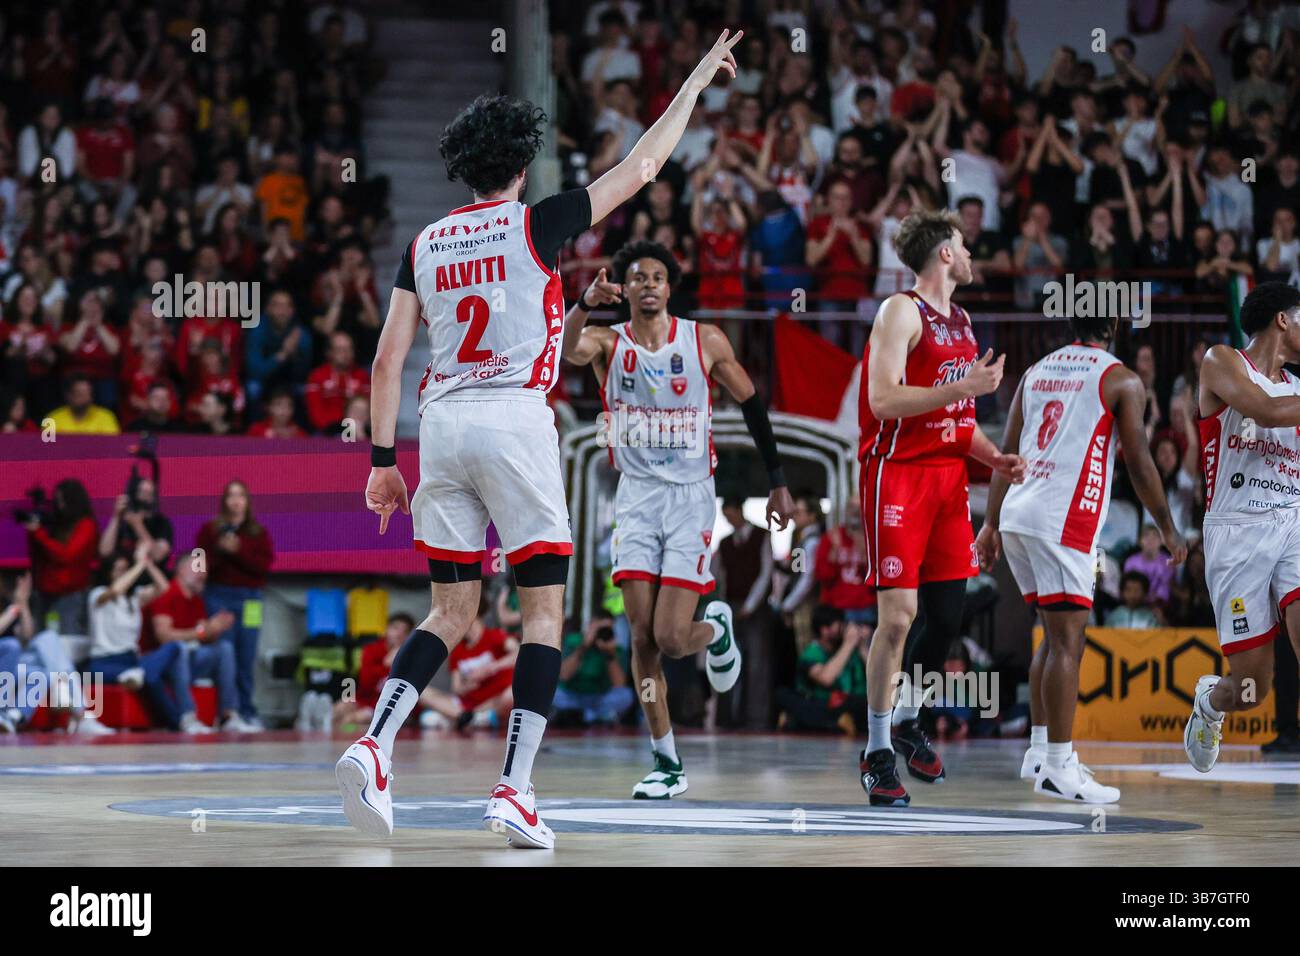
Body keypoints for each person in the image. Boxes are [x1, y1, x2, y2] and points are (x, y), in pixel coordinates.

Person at [336, 30, 747, 850]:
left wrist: (383, 463)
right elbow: (642, 167)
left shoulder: (425, 243)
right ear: (521, 166)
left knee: (451, 609)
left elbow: (386, 360)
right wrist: (697, 78)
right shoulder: (537, 222)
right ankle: (514, 790)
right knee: (543, 614)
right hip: (516, 425)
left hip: (440, 426)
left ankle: (374, 743)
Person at [563, 238, 794, 798]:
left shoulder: (704, 339)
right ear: (624, 287)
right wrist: (584, 303)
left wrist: (778, 481)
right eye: (637, 276)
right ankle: (667, 761)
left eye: (657, 277)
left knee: (670, 637)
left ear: (670, 288)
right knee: (640, 639)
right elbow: (560, 348)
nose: (647, 284)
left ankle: (714, 628)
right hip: (637, 498)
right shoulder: (604, 342)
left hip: (691, 497)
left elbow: (752, 402)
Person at [977, 313, 1186, 803]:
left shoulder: (1036, 370)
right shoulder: (1121, 378)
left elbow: (1005, 453)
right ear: (1113, 329)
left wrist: (988, 524)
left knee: (1051, 639)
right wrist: (1168, 528)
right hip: (1062, 517)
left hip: (1018, 510)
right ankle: (1058, 766)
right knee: (1070, 643)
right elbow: (1139, 460)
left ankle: (1038, 751)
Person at [857, 207, 1025, 807]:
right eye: (965, 243)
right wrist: (964, 388)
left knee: (949, 617)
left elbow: (958, 420)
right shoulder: (900, 310)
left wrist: (994, 460)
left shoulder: (965, 319)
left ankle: (906, 719)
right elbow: (882, 400)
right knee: (898, 618)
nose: (973, 252)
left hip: (949, 479)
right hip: (896, 475)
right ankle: (877, 750)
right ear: (945, 254)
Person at [1184, 283, 1300, 773]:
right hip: (1236, 530)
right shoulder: (1222, 360)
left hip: (1293, 519)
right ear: (1282, 319)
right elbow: (1265, 411)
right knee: (1252, 690)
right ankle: (1211, 703)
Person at [142, 561, 254, 733]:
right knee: (181, 649)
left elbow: (202, 633)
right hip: (162, 662)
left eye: (204, 570)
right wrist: (202, 631)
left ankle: (228, 715)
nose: (203, 574)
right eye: (197, 569)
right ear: (181, 569)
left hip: (192, 661)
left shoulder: (196, 600)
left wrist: (215, 628)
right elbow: (164, 637)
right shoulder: (167, 595)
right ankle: (187, 717)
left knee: (225, 648)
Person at [195, 480, 273, 728]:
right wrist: (221, 550)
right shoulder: (210, 531)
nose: (236, 501)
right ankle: (228, 712)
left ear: (247, 502)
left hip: (251, 599)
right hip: (220, 597)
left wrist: (238, 550)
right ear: (224, 501)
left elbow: (263, 567)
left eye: (241, 496)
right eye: (231, 496)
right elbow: (201, 568)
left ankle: (248, 710)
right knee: (226, 652)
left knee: (247, 655)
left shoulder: (258, 534)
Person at [87, 546, 191, 730]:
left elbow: (164, 588)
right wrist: (139, 564)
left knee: (174, 647)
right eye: (118, 569)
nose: (123, 573)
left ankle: (141, 675)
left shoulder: (135, 598)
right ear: (108, 572)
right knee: (151, 677)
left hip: (132, 661)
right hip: (104, 663)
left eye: (125, 569)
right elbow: (116, 591)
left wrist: (147, 563)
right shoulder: (97, 595)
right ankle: (177, 721)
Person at [554, 616, 635, 726]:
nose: (601, 633)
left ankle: (583, 715)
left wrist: (610, 655)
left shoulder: (616, 649)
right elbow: (564, 675)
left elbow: (619, 684)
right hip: (572, 695)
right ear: (590, 626)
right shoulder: (573, 641)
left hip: (600, 697)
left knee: (626, 695)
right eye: (599, 629)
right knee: (554, 693)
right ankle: (595, 716)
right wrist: (584, 646)